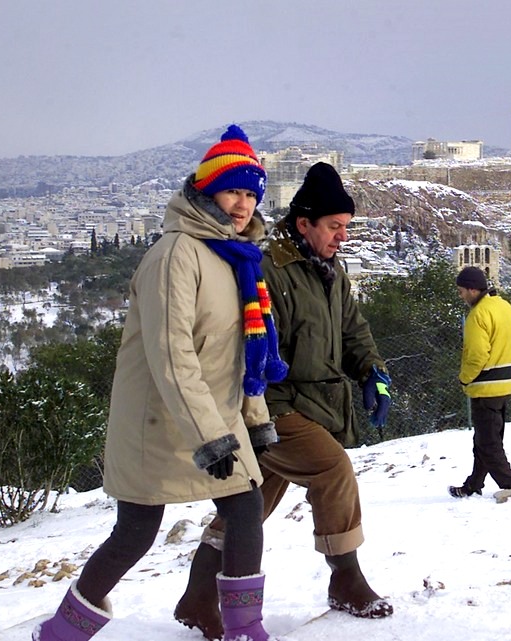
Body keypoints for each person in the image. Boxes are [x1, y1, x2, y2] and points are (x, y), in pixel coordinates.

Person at [35, 125, 287, 641]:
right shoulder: (177, 254)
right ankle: (64, 631)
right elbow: (171, 354)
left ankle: (245, 629)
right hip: (158, 420)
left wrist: (254, 423)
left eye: (250, 193)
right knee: (135, 533)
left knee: (245, 508)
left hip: (211, 417)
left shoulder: (238, 258)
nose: (242, 204)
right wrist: (209, 435)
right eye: (232, 190)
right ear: (206, 191)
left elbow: (246, 355)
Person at [175, 161, 393, 639]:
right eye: (334, 226)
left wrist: (372, 372)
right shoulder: (268, 270)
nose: (342, 237)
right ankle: (346, 579)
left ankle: (196, 593)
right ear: (303, 224)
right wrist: (266, 412)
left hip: (310, 405)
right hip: (272, 407)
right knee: (333, 470)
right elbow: (258, 350)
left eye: (346, 228)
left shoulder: (330, 270)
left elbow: (353, 329)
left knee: (249, 503)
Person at [448, 266, 511, 498]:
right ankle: (473, 485)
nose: (461, 296)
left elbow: (477, 355)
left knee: (488, 443)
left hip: (485, 386)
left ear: (472, 289)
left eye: (462, 291)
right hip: (504, 383)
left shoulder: (478, 315)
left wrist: (464, 378)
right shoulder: (504, 306)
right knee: (484, 439)